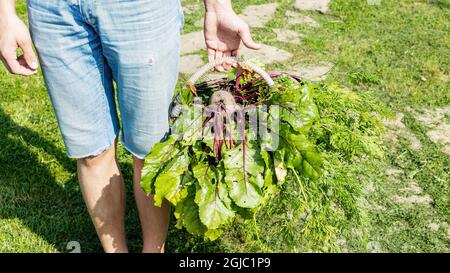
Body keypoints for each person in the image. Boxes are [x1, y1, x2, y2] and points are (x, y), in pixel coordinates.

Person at [0, 0, 260, 253]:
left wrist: (217, 6)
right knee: (91, 151)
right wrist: (4, 15)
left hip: (140, 9)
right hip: (54, 13)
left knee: (151, 151)